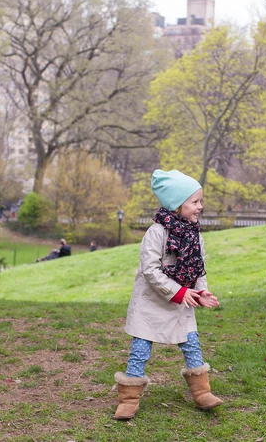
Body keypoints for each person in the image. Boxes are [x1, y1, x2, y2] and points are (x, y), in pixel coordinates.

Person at [113, 169, 222, 421]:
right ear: (176, 205)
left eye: (200, 201)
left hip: (182, 302)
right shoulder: (156, 233)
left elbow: (198, 268)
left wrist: (201, 290)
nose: (200, 207)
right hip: (152, 303)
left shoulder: (194, 235)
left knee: (192, 346)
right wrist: (179, 291)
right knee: (140, 350)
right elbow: (150, 271)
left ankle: (202, 392)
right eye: (194, 202)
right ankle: (128, 399)